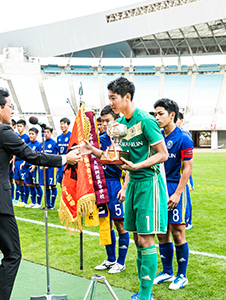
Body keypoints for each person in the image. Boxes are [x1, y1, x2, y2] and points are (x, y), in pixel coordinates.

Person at [0, 87, 81, 300]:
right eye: (10, 107)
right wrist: (65, 159)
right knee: (13, 254)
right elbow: (33, 156)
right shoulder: (4, 132)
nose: (13, 112)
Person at [79, 77, 168, 300]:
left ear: (127, 97)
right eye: (109, 98)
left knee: (147, 239)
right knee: (137, 239)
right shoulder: (123, 126)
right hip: (133, 186)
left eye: (113, 98)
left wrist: (137, 166)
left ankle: (146, 296)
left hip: (149, 184)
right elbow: (119, 158)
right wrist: (93, 150)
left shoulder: (146, 121)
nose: (111, 103)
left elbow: (162, 154)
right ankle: (142, 291)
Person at [153, 99, 193, 290]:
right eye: (155, 114)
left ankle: (182, 275)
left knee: (178, 232)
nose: (157, 117)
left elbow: (187, 168)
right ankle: (167, 271)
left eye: (160, 113)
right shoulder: (157, 137)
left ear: (172, 115)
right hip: (158, 189)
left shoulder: (183, 137)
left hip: (175, 188)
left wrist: (177, 193)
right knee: (161, 232)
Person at [93, 105, 130, 274]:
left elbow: (128, 165)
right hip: (101, 185)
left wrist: (124, 187)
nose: (104, 125)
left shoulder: (123, 138)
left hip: (115, 183)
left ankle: (120, 262)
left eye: (107, 121)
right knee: (105, 223)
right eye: (102, 122)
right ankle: (110, 259)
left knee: (120, 223)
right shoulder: (99, 140)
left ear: (116, 120)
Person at [176, 112, 194, 230]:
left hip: (182, 172)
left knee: (185, 196)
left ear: (181, 120)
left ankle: (187, 221)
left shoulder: (184, 135)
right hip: (175, 172)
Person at [20, 127, 42, 208]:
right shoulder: (28, 145)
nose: (31, 135)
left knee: (36, 184)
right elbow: (27, 156)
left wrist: (34, 165)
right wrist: (23, 163)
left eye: (32, 134)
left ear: (36, 135)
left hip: (34, 168)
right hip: (27, 167)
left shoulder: (39, 145)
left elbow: (39, 157)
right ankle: (33, 202)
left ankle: (38, 203)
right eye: (30, 134)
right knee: (30, 185)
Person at [38, 127, 58, 210]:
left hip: (51, 169)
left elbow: (55, 156)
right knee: (46, 186)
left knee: (52, 185)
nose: (46, 134)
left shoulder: (54, 144)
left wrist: (49, 165)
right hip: (43, 169)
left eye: (48, 132)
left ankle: (52, 205)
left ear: (51, 133)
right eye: (45, 132)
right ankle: (47, 204)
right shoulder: (41, 144)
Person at [13, 119, 30, 207]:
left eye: (21, 126)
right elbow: (15, 151)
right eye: (18, 126)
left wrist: (24, 161)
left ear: (24, 127)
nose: (19, 128)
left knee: (24, 182)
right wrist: (13, 164)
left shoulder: (26, 138)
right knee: (17, 181)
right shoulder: (16, 137)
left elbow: (27, 151)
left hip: (22, 162)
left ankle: (24, 200)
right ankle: (18, 199)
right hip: (16, 162)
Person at [55, 117, 71, 187]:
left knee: (69, 183)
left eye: (64, 124)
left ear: (68, 125)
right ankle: (63, 198)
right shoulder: (59, 138)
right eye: (61, 124)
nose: (62, 126)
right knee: (62, 184)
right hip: (61, 162)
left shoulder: (71, 136)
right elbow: (58, 152)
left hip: (69, 162)